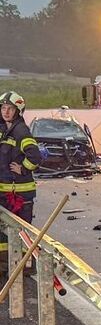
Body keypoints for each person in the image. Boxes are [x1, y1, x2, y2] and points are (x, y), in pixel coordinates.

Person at [0, 91, 42, 276]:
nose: (6, 112)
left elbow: (35, 155)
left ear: (18, 111)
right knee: (3, 232)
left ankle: (26, 266)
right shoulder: (4, 130)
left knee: (23, 230)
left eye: (10, 108)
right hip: (5, 192)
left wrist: (23, 169)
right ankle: (4, 265)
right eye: (3, 108)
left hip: (20, 193)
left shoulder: (20, 131)